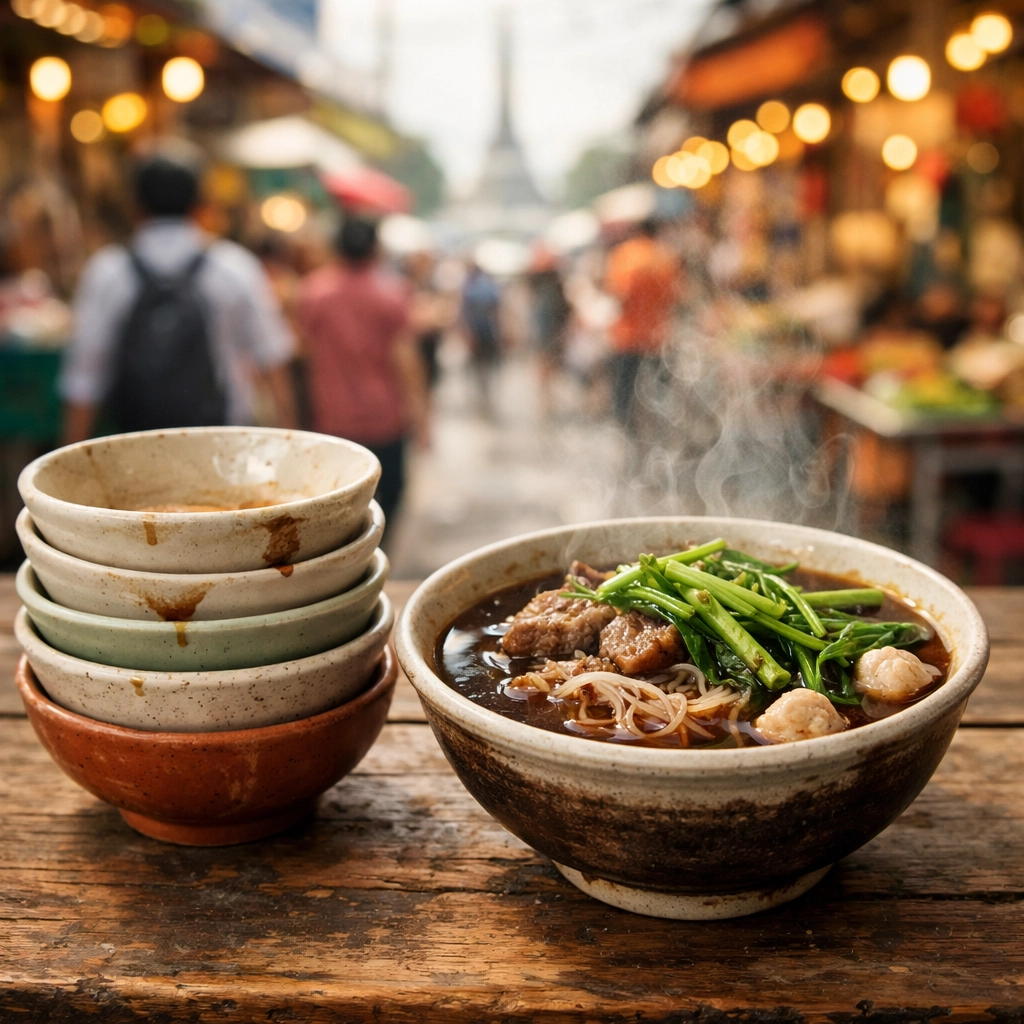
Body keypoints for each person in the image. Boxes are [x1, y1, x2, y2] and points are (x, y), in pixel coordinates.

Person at [61, 141, 298, 442]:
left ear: (136, 206)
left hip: (133, 446)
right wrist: (290, 440)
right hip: (221, 445)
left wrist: (70, 457)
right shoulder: (235, 268)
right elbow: (273, 360)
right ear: (201, 205)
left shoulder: (107, 272)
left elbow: (84, 378)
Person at [297, 216, 429, 538]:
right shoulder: (393, 292)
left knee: (338, 499)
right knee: (391, 492)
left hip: (332, 418)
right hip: (385, 418)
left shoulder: (312, 292)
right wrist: (422, 417)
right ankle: (376, 547)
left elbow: (302, 353)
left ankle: (352, 553)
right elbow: (407, 362)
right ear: (375, 248)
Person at [603, 219, 680, 429]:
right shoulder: (666, 257)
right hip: (659, 337)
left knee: (625, 393)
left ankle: (628, 432)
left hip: (628, 337)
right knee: (659, 393)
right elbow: (676, 297)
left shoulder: (625, 256)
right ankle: (659, 432)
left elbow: (620, 296)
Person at [527, 246, 571, 416]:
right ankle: (547, 402)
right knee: (547, 367)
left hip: (548, 334)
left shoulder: (543, 293)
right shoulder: (549, 293)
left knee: (546, 368)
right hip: (549, 334)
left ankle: (547, 402)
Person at [460, 261, 502, 411]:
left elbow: (464, 314)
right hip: (489, 331)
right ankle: (485, 390)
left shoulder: (469, 288)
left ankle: (481, 390)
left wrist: (466, 332)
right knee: (488, 362)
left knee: (478, 363)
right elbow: (497, 311)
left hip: (477, 331)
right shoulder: (490, 287)